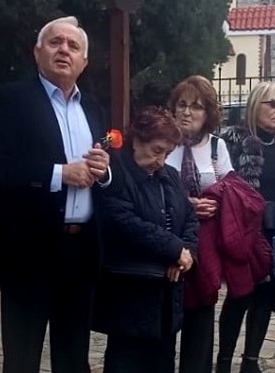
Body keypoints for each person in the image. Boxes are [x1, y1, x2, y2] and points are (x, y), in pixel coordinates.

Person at [0, 16, 113, 373]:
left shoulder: (92, 108)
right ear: (37, 52)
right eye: (55, 42)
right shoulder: (10, 100)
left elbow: (100, 172)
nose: (64, 50)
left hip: (81, 249)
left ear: (84, 61)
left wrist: (104, 171)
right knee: (22, 357)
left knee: (74, 357)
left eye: (73, 46)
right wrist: (59, 173)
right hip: (29, 250)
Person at [94, 107, 199, 372]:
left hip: (167, 294)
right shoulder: (118, 173)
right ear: (137, 141)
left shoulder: (170, 176)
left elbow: (189, 217)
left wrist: (185, 254)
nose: (160, 161)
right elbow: (123, 221)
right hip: (131, 291)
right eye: (156, 151)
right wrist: (174, 248)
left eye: (166, 154)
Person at [219, 81, 275, 373]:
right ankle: (224, 361)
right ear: (256, 106)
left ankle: (251, 361)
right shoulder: (233, 142)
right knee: (240, 294)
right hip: (244, 231)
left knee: (265, 296)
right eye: (273, 104)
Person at [164, 75, 235, 373]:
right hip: (169, 242)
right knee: (166, 319)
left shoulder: (217, 147)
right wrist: (186, 205)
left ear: (208, 113)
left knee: (201, 319)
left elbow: (231, 192)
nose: (186, 112)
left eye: (196, 106)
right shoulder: (164, 143)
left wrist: (215, 204)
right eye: (182, 104)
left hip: (204, 247)